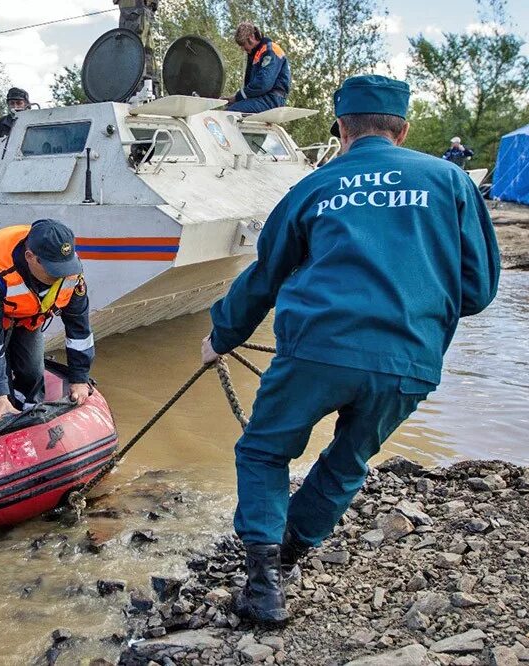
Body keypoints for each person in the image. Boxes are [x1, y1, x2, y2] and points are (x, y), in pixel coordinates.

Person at [201, 74, 500, 627]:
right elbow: (478, 290)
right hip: (409, 360)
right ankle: (289, 552)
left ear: (340, 128)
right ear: (403, 128)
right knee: (348, 458)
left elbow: (266, 275)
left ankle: (264, 584)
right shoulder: (450, 180)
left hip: (315, 350)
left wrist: (220, 338)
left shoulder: (314, 186)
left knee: (265, 452)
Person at [0, 219, 94, 422]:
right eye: (53, 271)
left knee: (33, 370)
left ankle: (31, 411)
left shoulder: (70, 268)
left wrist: (79, 378)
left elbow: (79, 329)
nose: (61, 276)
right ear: (30, 257)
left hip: (27, 315)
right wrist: (0, 396)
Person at [225, 22, 291, 114]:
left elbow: (263, 83)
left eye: (243, 44)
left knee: (230, 112)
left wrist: (238, 97)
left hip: (271, 99)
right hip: (262, 98)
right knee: (231, 107)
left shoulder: (271, 50)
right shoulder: (257, 53)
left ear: (251, 37)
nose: (243, 49)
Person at [114, 0, 158, 95]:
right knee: (133, 47)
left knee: (147, 50)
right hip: (134, 9)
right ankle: (135, 90)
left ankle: (148, 88)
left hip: (144, 9)